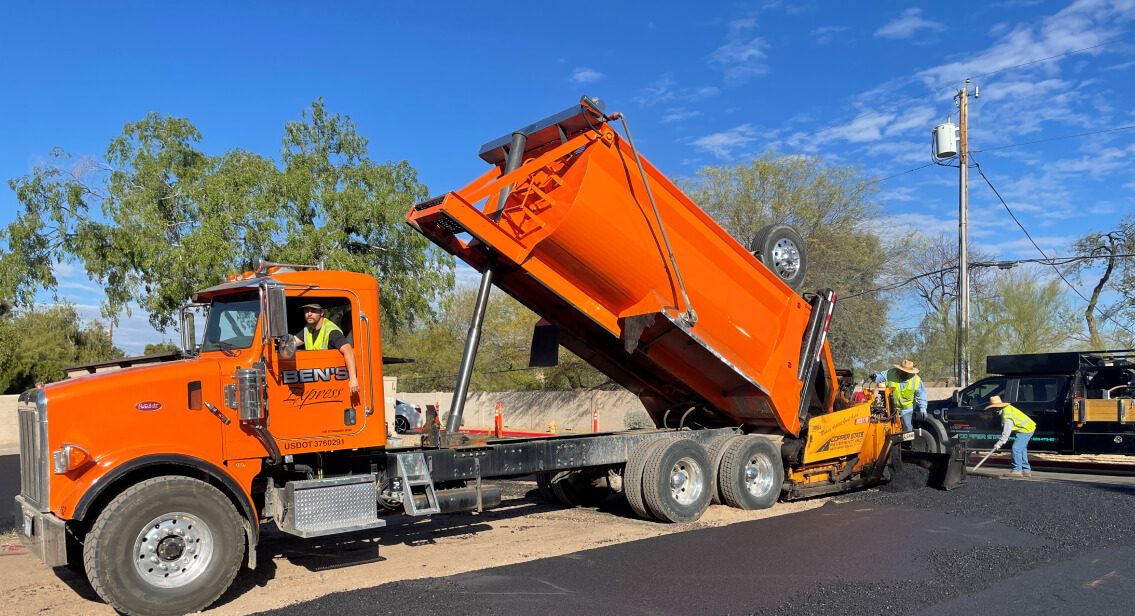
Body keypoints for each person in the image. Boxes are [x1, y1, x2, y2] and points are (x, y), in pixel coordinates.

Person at [293, 303, 359, 395]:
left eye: (313, 310)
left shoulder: (331, 331)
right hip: (315, 381)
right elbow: (292, 342)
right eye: (306, 310)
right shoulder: (308, 329)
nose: (309, 314)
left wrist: (353, 379)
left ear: (321, 312)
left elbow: (348, 350)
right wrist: (282, 342)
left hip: (330, 384)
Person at [986, 395, 1036, 478]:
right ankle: (1026, 470)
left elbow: (1007, 432)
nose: (993, 410)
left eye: (994, 408)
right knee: (1021, 450)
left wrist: (1000, 443)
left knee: (1016, 448)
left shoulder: (1007, 416)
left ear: (998, 408)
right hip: (1026, 428)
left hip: (1026, 429)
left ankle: (1017, 470)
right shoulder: (1007, 409)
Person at [871, 359, 926, 434]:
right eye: (902, 371)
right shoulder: (891, 373)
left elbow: (921, 395)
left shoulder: (916, 380)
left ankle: (907, 444)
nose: (904, 373)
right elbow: (880, 377)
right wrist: (875, 377)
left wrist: (923, 408)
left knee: (907, 428)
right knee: (889, 428)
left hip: (906, 409)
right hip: (891, 407)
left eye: (906, 372)